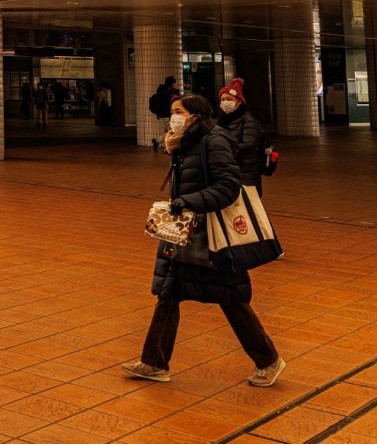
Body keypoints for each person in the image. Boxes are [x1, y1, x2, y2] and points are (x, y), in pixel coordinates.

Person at [121, 95, 284, 387]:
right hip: (188, 232)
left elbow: (228, 187)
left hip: (210, 234)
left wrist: (188, 201)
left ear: (195, 114)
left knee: (231, 299)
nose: (173, 117)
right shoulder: (184, 142)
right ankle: (154, 362)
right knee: (168, 294)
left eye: (178, 112)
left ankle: (269, 360)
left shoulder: (213, 140)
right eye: (172, 112)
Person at [217, 78, 267, 189]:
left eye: (229, 99)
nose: (225, 102)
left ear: (239, 101)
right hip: (227, 170)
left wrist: (223, 148)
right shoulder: (222, 120)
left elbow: (249, 145)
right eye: (223, 99)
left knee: (247, 203)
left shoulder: (248, 120)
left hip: (246, 172)